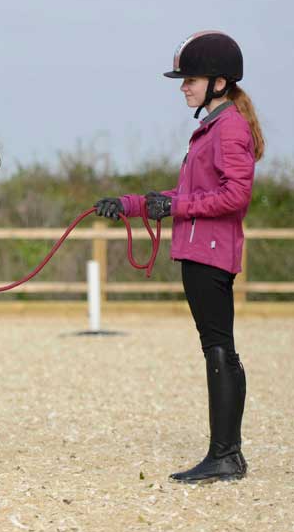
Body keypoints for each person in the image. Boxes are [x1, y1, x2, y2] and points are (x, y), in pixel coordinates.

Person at [95, 31, 265, 483]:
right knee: (218, 348)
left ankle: (226, 455)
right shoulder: (212, 126)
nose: (183, 86)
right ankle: (227, 453)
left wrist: (177, 207)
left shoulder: (228, 128)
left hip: (211, 254)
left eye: (191, 78)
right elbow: (190, 194)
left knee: (219, 350)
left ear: (220, 83)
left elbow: (236, 195)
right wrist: (132, 203)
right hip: (199, 251)